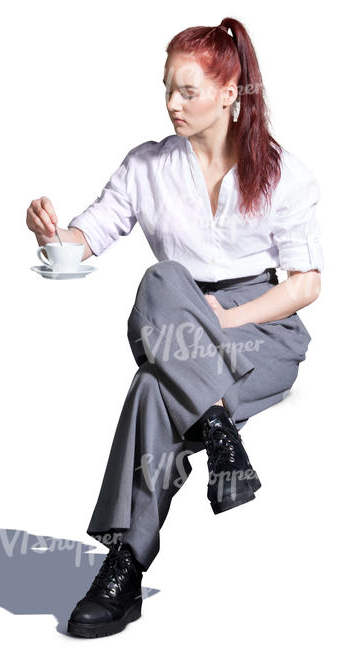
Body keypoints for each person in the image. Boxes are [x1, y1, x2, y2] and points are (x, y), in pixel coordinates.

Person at [25, 16, 324, 639]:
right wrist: (55, 240)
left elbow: (305, 285)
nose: (172, 104)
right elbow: (94, 232)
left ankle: (125, 566)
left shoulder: (282, 171)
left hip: (260, 329)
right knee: (163, 281)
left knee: (152, 389)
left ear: (229, 92)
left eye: (187, 91)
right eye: (167, 89)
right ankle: (218, 432)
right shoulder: (147, 166)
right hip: (178, 317)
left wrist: (227, 316)